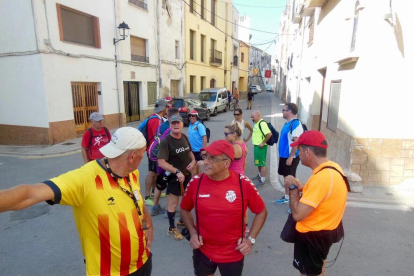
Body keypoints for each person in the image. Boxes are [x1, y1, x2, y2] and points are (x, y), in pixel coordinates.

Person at [0, 127, 153, 276]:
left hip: (143, 262)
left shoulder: (132, 173)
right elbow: (30, 193)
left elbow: (135, 198)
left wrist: (148, 223)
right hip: (109, 272)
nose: (143, 157)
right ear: (132, 156)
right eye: (142, 154)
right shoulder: (85, 178)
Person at [180, 140, 267, 276]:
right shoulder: (196, 182)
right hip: (203, 251)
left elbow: (261, 211)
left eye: (212, 158)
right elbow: (184, 209)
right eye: (205, 157)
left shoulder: (242, 183)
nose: (206, 162)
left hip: (233, 254)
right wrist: (192, 232)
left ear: (226, 163)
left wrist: (251, 239)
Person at [284, 130, 348, 276]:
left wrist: (293, 187)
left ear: (308, 152)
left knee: (308, 273)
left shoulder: (321, 178)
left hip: (312, 235)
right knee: (319, 270)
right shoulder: (333, 168)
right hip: (327, 230)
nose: (298, 154)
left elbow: (298, 215)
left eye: (299, 150)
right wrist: (304, 187)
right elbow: (323, 194)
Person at [157, 114, 196, 240]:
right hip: (174, 179)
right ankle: (171, 227)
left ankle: (181, 221)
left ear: (182, 124)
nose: (175, 125)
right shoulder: (166, 141)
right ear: (170, 125)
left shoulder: (184, 137)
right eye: (173, 123)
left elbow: (190, 152)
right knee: (173, 204)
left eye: (177, 123)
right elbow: (161, 162)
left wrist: (193, 162)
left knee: (186, 201)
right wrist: (177, 171)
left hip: (187, 175)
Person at [275, 103, 304, 212]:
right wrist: (280, 156)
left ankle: (295, 202)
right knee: (285, 177)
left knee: (291, 179)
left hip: (290, 156)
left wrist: (291, 156)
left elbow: (296, 142)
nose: (282, 111)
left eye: (284, 110)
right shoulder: (287, 124)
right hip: (284, 156)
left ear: (290, 111)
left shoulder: (296, 124)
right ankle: (287, 197)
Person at [151, 107, 180, 216]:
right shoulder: (172, 128)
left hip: (159, 158)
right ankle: (170, 210)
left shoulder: (161, 126)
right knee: (170, 185)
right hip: (168, 160)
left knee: (160, 183)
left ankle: (155, 207)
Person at [144, 99, 169, 206]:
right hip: (153, 151)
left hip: (154, 150)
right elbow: (158, 137)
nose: (168, 109)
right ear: (163, 109)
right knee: (152, 172)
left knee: (156, 172)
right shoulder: (155, 120)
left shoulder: (156, 118)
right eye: (167, 107)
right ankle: (147, 196)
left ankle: (154, 192)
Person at [250, 110, 272, 186]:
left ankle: (263, 180)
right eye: (251, 117)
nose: (252, 119)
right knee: (258, 162)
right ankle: (260, 175)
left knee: (262, 163)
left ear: (258, 116)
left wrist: (263, 143)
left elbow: (269, 134)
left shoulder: (262, 123)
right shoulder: (257, 123)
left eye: (253, 117)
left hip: (261, 147)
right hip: (257, 146)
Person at [188, 110, 208, 176]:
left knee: (198, 168)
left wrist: (204, 149)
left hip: (198, 151)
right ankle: (196, 181)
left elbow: (204, 137)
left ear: (196, 116)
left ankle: (199, 181)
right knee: (194, 167)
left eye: (193, 116)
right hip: (192, 150)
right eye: (189, 116)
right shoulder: (190, 125)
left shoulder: (199, 125)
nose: (191, 117)